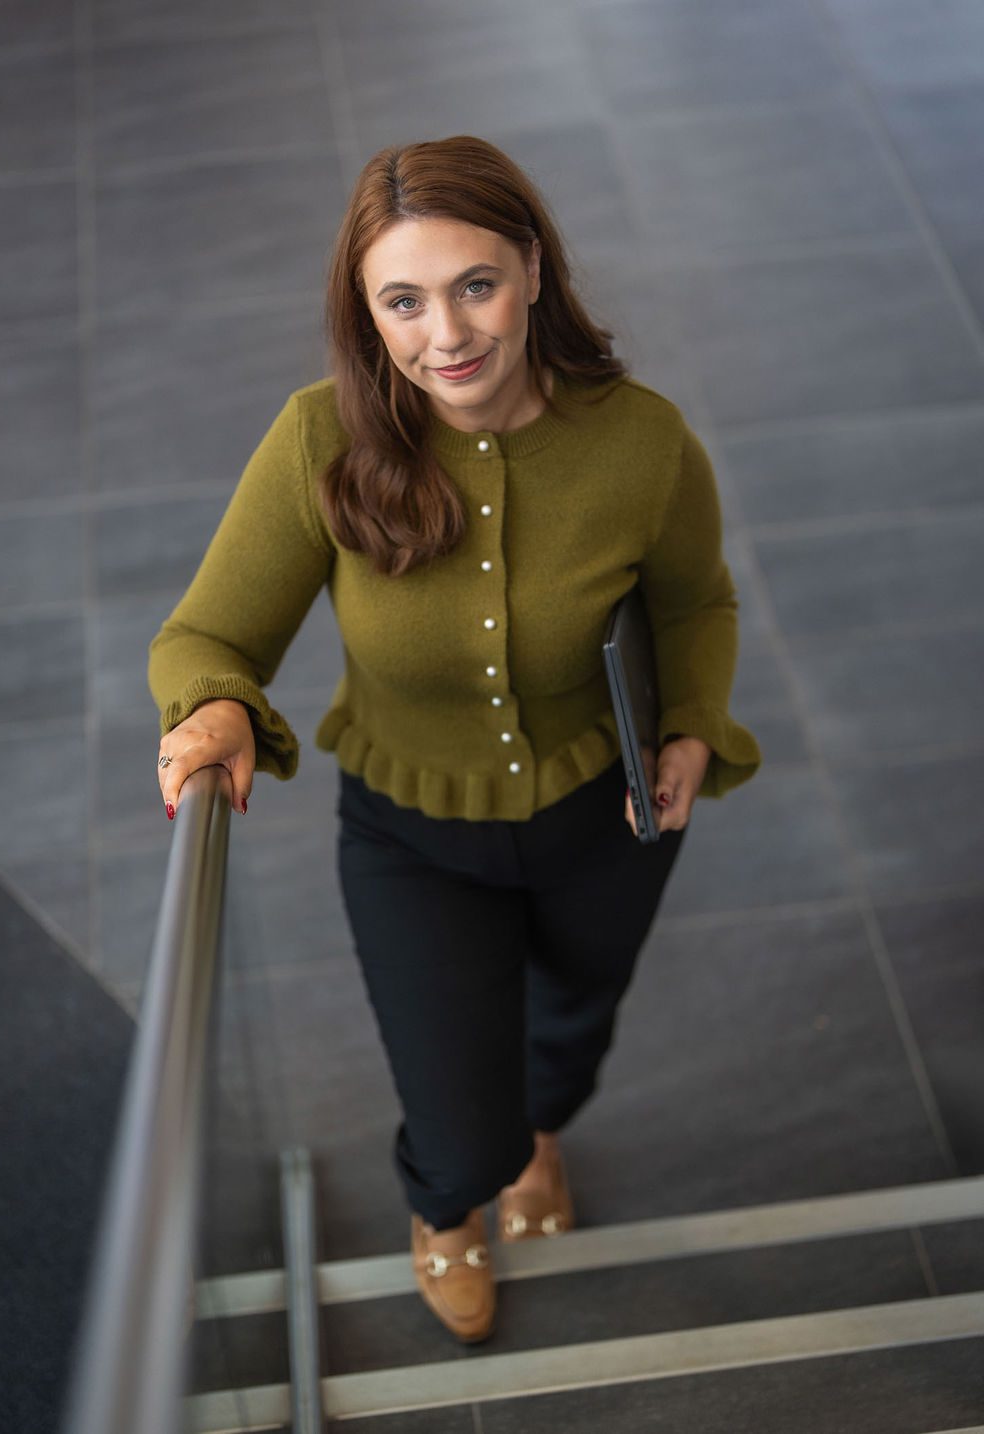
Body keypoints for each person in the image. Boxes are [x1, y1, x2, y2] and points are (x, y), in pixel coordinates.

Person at [148, 135, 761, 1345]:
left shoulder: (640, 440)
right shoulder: (318, 441)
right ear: (367, 313)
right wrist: (213, 707)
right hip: (411, 832)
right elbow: (208, 630)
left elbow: (696, 602)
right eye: (404, 301)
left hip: (606, 812)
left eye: (475, 284)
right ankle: (446, 1210)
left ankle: (540, 1140)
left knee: (573, 1022)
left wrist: (690, 722)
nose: (448, 335)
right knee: (454, 1110)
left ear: (531, 267)